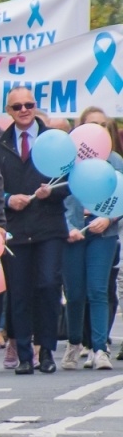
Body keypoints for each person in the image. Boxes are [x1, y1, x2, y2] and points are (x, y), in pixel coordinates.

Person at [0, 87, 69, 374]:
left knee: (49, 284)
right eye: (17, 107)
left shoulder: (54, 141)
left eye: (29, 105)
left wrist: (50, 191)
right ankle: (24, 354)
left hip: (49, 225)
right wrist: (7, 200)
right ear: (9, 111)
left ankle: (47, 351)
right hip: (15, 226)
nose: (24, 110)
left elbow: (73, 181)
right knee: (19, 291)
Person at [60, 107, 123, 370]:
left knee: (98, 289)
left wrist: (109, 218)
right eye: (90, 125)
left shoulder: (115, 161)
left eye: (101, 124)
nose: (96, 129)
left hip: (104, 232)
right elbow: (57, 196)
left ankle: (100, 348)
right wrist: (67, 227)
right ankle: (75, 342)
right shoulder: (68, 160)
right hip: (73, 233)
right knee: (74, 292)